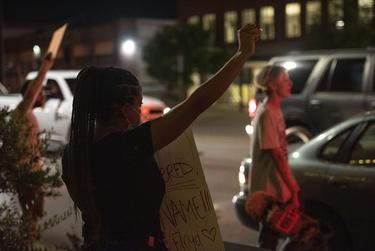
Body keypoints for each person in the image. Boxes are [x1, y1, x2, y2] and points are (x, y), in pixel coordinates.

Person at [62, 24, 261, 251]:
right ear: (123, 109)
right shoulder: (128, 147)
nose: (142, 109)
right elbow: (196, 104)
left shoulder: (73, 155)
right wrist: (242, 54)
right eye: (139, 103)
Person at [248, 65, 301, 250]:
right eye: (285, 80)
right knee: (269, 240)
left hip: (277, 187)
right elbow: (277, 156)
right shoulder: (267, 113)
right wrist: (293, 188)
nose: (290, 83)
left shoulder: (275, 110)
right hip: (268, 191)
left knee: (276, 235)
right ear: (272, 85)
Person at [12, 52, 54, 243]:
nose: (42, 94)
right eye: (39, 92)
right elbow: (31, 92)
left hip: (31, 171)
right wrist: (45, 67)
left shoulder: (29, 114)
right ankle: (27, 242)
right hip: (25, 172)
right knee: (32, 212)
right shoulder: (23, 109)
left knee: (35, 211)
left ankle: (28, 240)